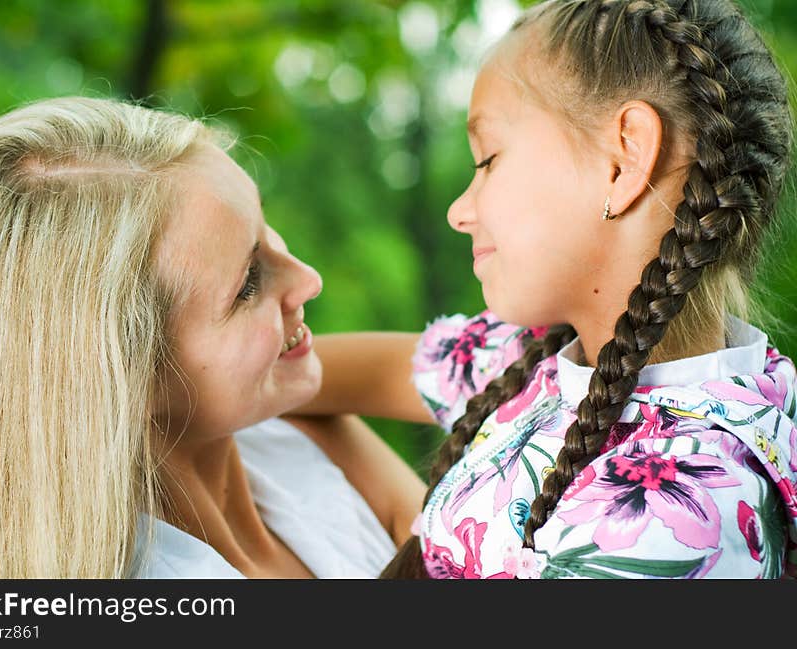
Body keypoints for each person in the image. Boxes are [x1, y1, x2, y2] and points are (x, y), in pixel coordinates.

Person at [302, 0, 797, 578]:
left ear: (624, 159)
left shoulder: (673, 515)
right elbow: (288, 378)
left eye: (487, 160)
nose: (459, 211)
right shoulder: (531, 359)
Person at [0, 96, 425, 578]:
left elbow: (475, 371)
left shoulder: (299, 429)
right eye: (247, 285)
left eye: (266, 231)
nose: (308, 279)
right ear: (120, 379)